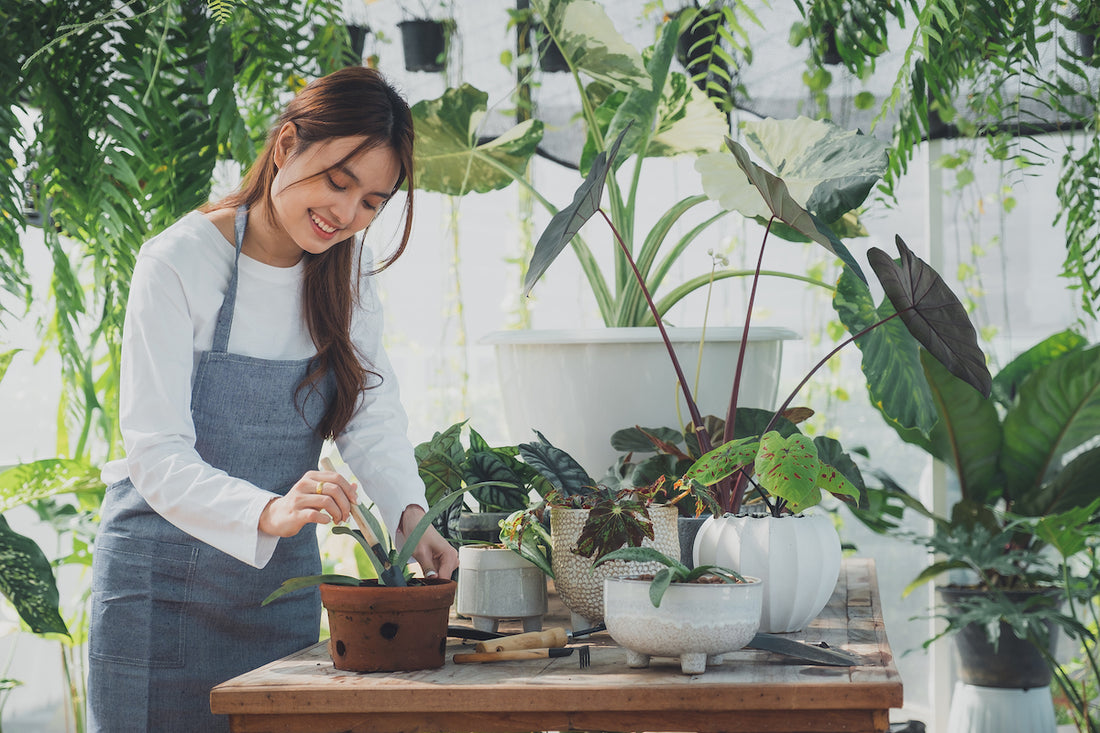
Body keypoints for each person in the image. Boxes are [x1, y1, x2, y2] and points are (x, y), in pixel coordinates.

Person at [88, 66, 457, 733]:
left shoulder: (348, 275)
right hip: (158, 591)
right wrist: (270, 509)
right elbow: (155, 450)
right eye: (337, 181)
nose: (346, 214)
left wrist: (410, 515)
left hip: (274, 593)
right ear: (285, 146)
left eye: (372, 202)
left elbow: (368, 412)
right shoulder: (178, 261)